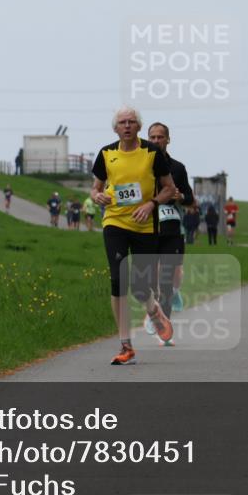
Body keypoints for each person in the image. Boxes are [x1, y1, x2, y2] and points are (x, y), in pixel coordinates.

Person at [90, 106, 177, 365]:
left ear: (139, 126)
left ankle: (154, 311)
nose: (127, 126)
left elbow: (169, 188)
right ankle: (126, 345)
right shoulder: (106, 154)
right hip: (115, 221)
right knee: (118, 280)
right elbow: (95, 189)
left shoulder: (152, 153)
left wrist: (151, 204)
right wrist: (97, 196)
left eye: (131, 122)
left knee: (140, 287)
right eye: (122, 122)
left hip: (144, 225)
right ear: (115, 128)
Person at [143, 121, 195, 344]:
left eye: (160, 137)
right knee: (151, 279)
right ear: (147, 140)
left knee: (166, 280)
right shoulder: (141, 166)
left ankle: (164, 329)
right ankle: (152, 312)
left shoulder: (178, 168)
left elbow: (190, 199)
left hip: (172, 229)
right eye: (152, 137)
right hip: (147, 227)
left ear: (168, 139)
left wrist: (180, 197)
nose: (156, 141)